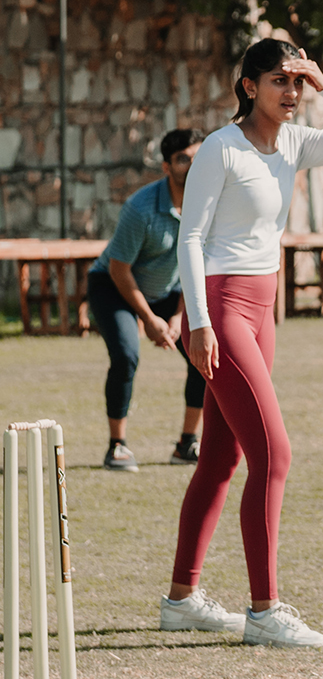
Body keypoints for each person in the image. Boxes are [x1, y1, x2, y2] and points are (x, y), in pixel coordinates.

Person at [160, 39, 323, 646]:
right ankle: (264, 611)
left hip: (262, 308)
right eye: (279, 81)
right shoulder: (221, 148)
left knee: (220, 458)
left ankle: (181, 599)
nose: (291, 93)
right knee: (274, 454)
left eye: (295, 81)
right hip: (221, 308)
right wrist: (199, 322)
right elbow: (190, 238)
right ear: (249, 87)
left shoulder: (294, 140)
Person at [87, 128, 206, 471]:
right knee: (126, 354)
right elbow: (119, 270)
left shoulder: (209, 206)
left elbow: (199, 266)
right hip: (113, 286)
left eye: (198, 158)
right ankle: (117, 447)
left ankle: (187, 444)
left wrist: (179, 317)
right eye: (183, 159)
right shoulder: (141, 209)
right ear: (167, 166)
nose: (192, 165)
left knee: (202, 354)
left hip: (169, 292)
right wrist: (148, 319)